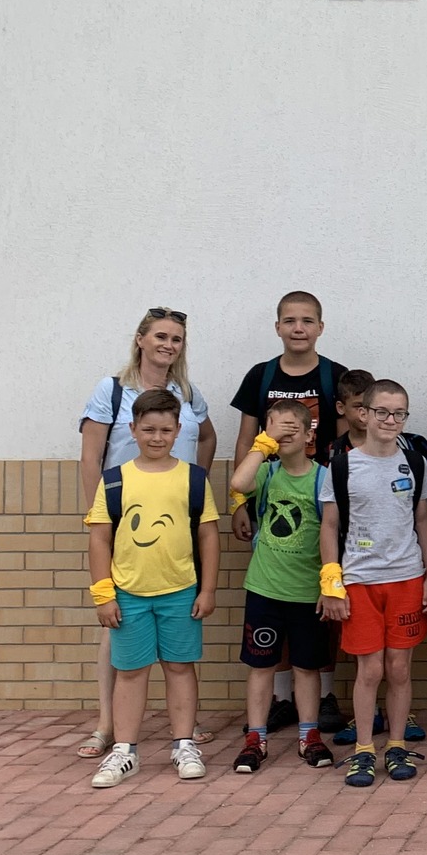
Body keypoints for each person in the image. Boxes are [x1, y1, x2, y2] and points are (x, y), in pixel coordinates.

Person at [75, 307, 217, 759]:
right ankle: (108, 724)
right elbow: (91, 455)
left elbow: (207, 438)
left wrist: (193, 487)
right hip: (123, 516)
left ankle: (184, 726)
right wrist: (99, 513)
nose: (168, 345)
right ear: (140, 339)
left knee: (178, 618)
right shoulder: (113, 390)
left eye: (176, 339)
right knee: (118, 624)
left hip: (175, 517)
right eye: (160, 336)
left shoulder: (187, 393)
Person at [227, 291, 349, 737]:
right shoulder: (261, 376)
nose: (299, 328)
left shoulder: (334, 375)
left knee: (320, 604)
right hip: (272, 496)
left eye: (308, 320)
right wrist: (239, 503)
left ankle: (325, 695)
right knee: (274, 603)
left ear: (321, 327)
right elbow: (245, 441)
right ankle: (280, 699)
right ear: (277, 326)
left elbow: (343, 443)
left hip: (320, 499)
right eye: (290, 320)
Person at [319, 379, 427, 789]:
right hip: (360, 581)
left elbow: (422, 521)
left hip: (406, 578)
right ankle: (365, 749)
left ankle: (397, 745)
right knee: (369, 669)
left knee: (399, 668)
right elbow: (329, 526)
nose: (390, 420)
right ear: (364, 414)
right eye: (382, 411)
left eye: (399, 413)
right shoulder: (341, 466)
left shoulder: (415, 463)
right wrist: (331, 583)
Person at [227, 402, 340, 773]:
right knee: (262, 666)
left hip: (307, 592)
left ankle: (309, 735)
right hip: (265, 588)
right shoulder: (266, 471)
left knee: (307, 666)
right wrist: (265, 444)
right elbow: (238, 484)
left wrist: (329, 584)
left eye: (292, 427)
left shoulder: (323, 478)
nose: (283, 433)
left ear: (309, 435)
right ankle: (255, 738)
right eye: (276, 426)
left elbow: (333, 532)